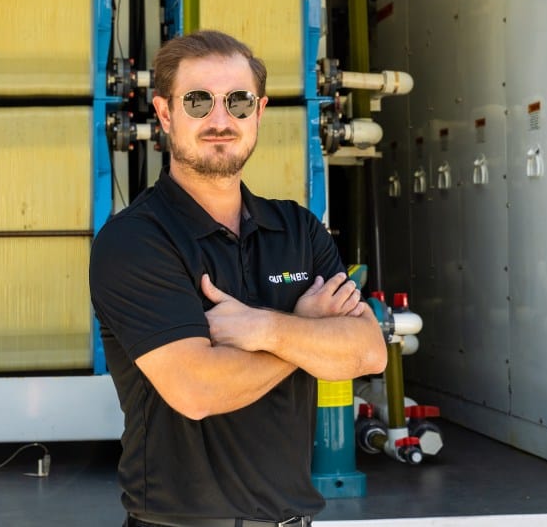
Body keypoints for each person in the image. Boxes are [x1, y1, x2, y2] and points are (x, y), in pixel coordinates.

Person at [89, 30, 387, 527]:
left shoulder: (297, 228)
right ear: (165, 114)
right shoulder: (135, 241)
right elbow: (197, 390)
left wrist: (268, 328)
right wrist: (306, 330)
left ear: (259, 111)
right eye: (198, 101)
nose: (220, 120)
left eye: (238, 101)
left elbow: (368, 352)